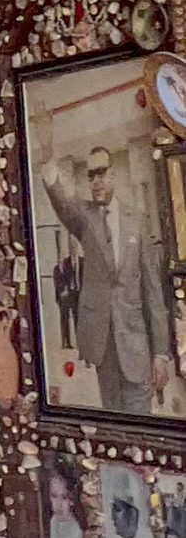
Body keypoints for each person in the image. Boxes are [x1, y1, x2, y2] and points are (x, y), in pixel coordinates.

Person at [38, 148, 175, 413]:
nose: (96, 182)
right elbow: (62, 202)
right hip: (103, 346)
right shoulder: (85, 218)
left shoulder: (136, 222)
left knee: (140, 420)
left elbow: (153, 292)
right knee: (112, 417)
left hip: (136, 343)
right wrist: (47, 154)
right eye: (91, 176)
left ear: (113, 174)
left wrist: (160, 353)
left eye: (101, 174)